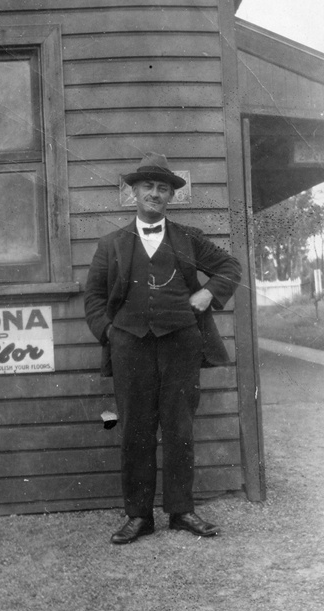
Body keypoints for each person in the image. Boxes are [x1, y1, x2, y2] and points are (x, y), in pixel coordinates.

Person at [84, 153, 241, 544]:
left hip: (182, 345)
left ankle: (181, 511)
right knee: (135, 431)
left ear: (171, 196)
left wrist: (208, 292)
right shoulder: (112, 244)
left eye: (162, 188)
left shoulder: (188, 239)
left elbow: (230, 268)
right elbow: (94, 299)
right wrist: (113, 335)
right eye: (148, 187)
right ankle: (139, 516)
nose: (155, 193)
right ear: (133, 192)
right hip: (130, 349)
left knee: (179, 428)